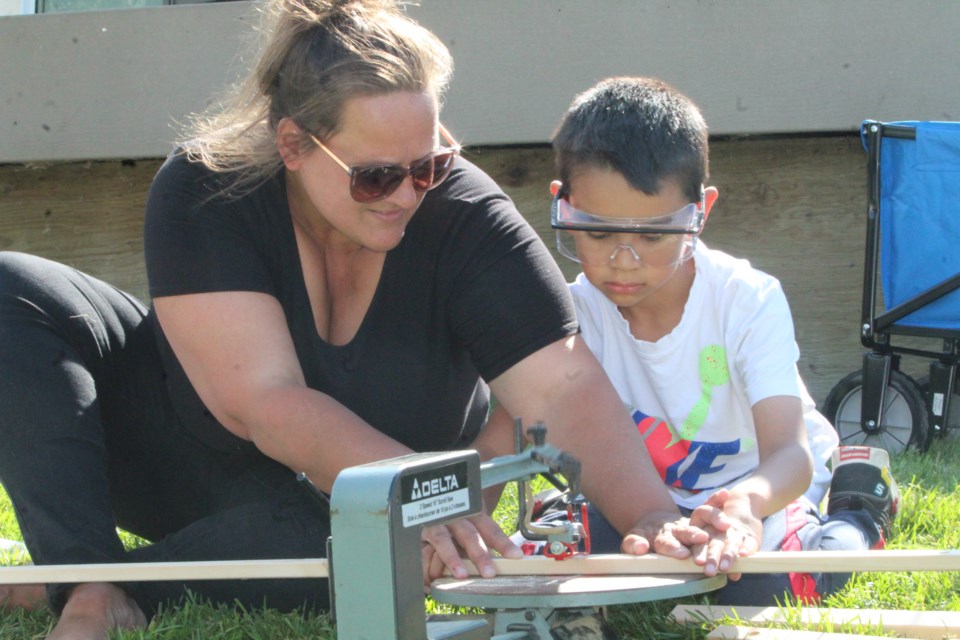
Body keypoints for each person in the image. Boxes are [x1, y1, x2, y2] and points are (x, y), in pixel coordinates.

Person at [0, 6, 737, 639]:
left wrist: (649, 513)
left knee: (330, 538)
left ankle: (121, 585)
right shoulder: (204, 187)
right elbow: (266, 403)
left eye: (430, 165)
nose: (409, 194)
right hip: (200, 459)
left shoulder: (466, 214)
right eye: (377, 175)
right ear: (292, 146)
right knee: (13, 290)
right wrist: (421, 494)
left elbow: (563, 385)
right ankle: (85, 583)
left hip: (349, 514)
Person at [534, 76, 900, 605]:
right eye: (596, 231)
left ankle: (858, 506)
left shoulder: (746, 300)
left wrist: (748, 504)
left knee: (767, 590)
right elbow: (507, 433)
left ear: (701, 210)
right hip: (648, 501)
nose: (622, 259)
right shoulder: (571, 314)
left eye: (654, 234)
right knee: (567, 567)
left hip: (759, 488)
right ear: (563, 207)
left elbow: (789, 456)